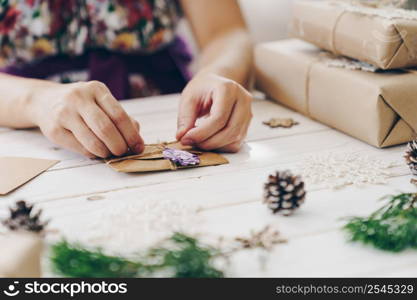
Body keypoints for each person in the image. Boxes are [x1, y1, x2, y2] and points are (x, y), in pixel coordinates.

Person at [0, 0, 253, 158]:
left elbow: (226, 32)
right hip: (27, 128)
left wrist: (217, 73)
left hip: (171, 112)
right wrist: (37, 100)